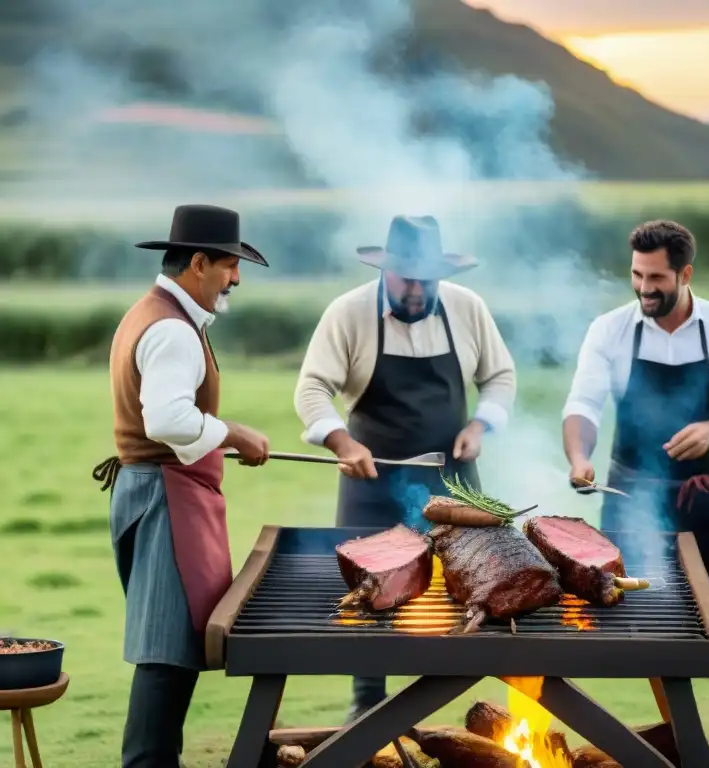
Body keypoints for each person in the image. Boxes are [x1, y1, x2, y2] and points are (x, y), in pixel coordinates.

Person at [293, 214, 516, 720]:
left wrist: (480, 426)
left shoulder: (467, 308)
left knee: (469, 584)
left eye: (426, 279)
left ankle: (466, 705)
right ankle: (366, 704)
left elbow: (500, 377)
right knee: (371, 592)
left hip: (454, 482)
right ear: (385, 271)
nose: (416, 289)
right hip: (370, 480)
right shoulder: (348, 313)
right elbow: (311, 388)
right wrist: (340, 441)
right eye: (406, 278)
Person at [91, 204, 272, 767]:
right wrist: (234, 432)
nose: (236, 278)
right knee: (166, 651)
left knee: (168, 646)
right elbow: (166, 421)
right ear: (198, 262)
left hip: (156, 491)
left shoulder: (151, 313)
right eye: (229, 266)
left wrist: (223, 437)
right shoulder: (172, 329)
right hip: (166, 496)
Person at [561, 219, 709, 638]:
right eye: (637, 274)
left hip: (707, 504)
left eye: (656, 277)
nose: (644, 287)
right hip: (629, 500)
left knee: (708, 635)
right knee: (634, 629)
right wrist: (579, 457)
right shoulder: (610, 330)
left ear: (686, 274)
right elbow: (583, 404)